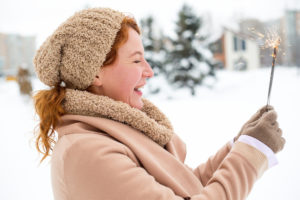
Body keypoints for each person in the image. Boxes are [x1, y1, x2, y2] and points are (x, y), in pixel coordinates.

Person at [33, 7, 285, 200]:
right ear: (95, 72)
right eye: (136, 61)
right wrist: (251, 154)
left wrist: (239, 144)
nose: (149, 71)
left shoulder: (117, 130)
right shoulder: (88, 151)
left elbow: (185, 186)